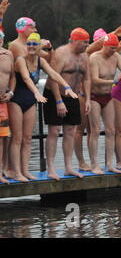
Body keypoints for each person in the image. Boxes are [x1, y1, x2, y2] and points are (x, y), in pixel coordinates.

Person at [8, 33, 78, 182]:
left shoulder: (41, 61)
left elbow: (54, 74)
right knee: (17, 138)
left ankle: (25, 171)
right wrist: (36, 93)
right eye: (29, 44)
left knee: (27, 139)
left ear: (40, 46)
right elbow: (26, 78)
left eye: (35, 44)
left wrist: (67, 87)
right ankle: (16, 171)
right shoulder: (21, 60)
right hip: (17, 100)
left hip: (30, 101)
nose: (31, 47)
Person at [44, 28, 92, 180]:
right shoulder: (60, 53)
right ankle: (51, 168)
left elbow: (87, 78)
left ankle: (68, 167)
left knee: (71, 131)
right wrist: (58, 101)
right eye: (85, 42)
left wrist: (88, 98)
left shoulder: (85, 56)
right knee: (54, 131)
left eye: (88, 42)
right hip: (54, 95)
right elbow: (53, 79)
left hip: (73, 96)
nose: (87, 45)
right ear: (75, 41)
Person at [88, 33, 121, 174]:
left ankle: (110, 164)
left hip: (108, 96)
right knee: (95, 130)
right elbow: (95, 79)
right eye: (110, 48)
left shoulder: (115, 56)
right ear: (104, 45)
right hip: (94, 96)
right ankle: (94, 164)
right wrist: (115, 81)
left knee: (111, 130)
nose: (113, 51)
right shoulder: (94, 58)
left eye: (115, 48)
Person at [0, 26, 15, 184]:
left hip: (3, 102)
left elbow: (12, 78)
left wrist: (10, 93)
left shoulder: (8, 54)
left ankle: (3, 170)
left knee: (4, 137)